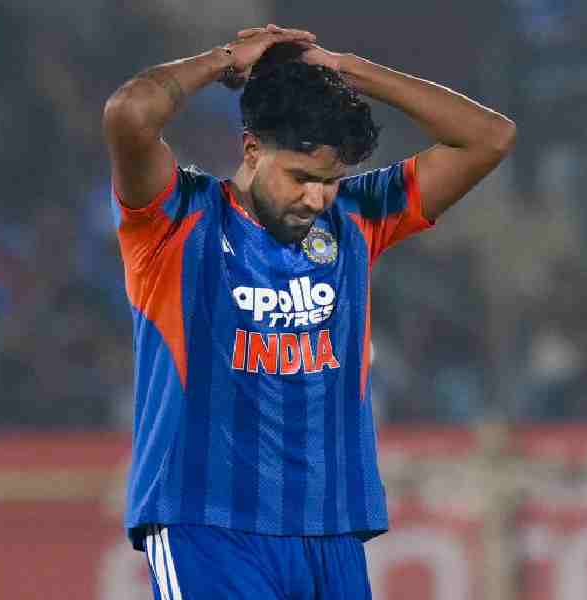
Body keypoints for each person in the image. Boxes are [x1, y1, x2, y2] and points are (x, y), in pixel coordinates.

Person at [102, 24, 515, 599]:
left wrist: (346, 70)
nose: (316, 198)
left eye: (329, 181)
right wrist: (224, 62)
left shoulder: (355, 217)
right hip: (205, 522)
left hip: (331, 529)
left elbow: (489, 137)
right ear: (251, 148)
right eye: (300, 177)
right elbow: (129, 113)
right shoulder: (174, 219)